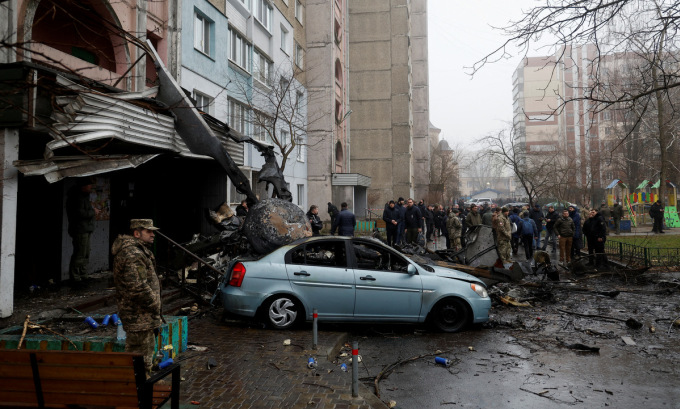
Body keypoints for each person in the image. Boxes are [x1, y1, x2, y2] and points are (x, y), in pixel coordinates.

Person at [111, 219, 162, 375]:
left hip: (142, 315)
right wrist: (154, 303)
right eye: (149, 231)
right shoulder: (132, 253)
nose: (153, 234)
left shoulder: (138, 250)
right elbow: (138, 287)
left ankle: (141, 386)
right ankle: (140, 391)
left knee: (141, 356)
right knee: (140, 358)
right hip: (139, 315)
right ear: (137, 233)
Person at [66, 178, 100, 286]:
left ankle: (83, 274)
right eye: (89, 185)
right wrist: (93, 211)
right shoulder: (76, 198)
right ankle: (76, 277)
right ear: (83, 186)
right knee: (80, 253)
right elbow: (80, 214)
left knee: (85, 253)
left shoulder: (83, 197)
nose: (91, 187)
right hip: (80, 229)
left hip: (85, 228)